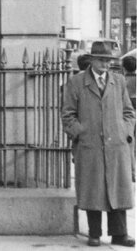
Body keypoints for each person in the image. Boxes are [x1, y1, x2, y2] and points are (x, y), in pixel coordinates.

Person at [62, 42, 136, 247]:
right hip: (90, 146)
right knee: (93, 190)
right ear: (92, 60)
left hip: (117, 145)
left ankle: (119, 234)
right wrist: (81, 133)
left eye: (109, 60)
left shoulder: (119, 81)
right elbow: (68, 115)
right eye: (102, 60)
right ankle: (94, 233)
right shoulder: (76, 82)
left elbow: (129, 112)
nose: (106, 64)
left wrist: (125, 132)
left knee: (118, 188)